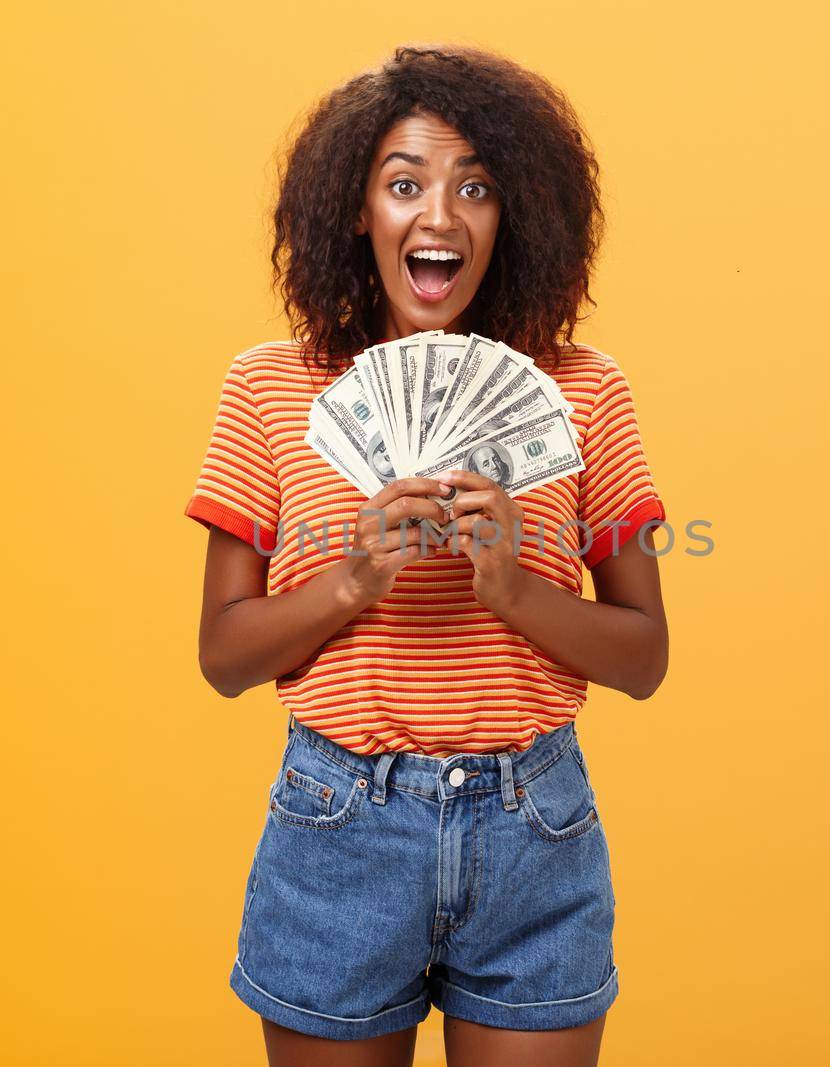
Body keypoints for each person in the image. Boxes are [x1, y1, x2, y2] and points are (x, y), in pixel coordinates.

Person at [185, 44, 668, 1067]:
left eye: (476, 187)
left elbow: (643, 657)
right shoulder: (270, 388)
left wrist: (512, 585)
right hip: (337, 826)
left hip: (532, 826)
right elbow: (224, 656)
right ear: (359, 211)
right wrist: (354, 577)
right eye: (404, 183)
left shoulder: (585, 391)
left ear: (514, 215)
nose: (438, 215)